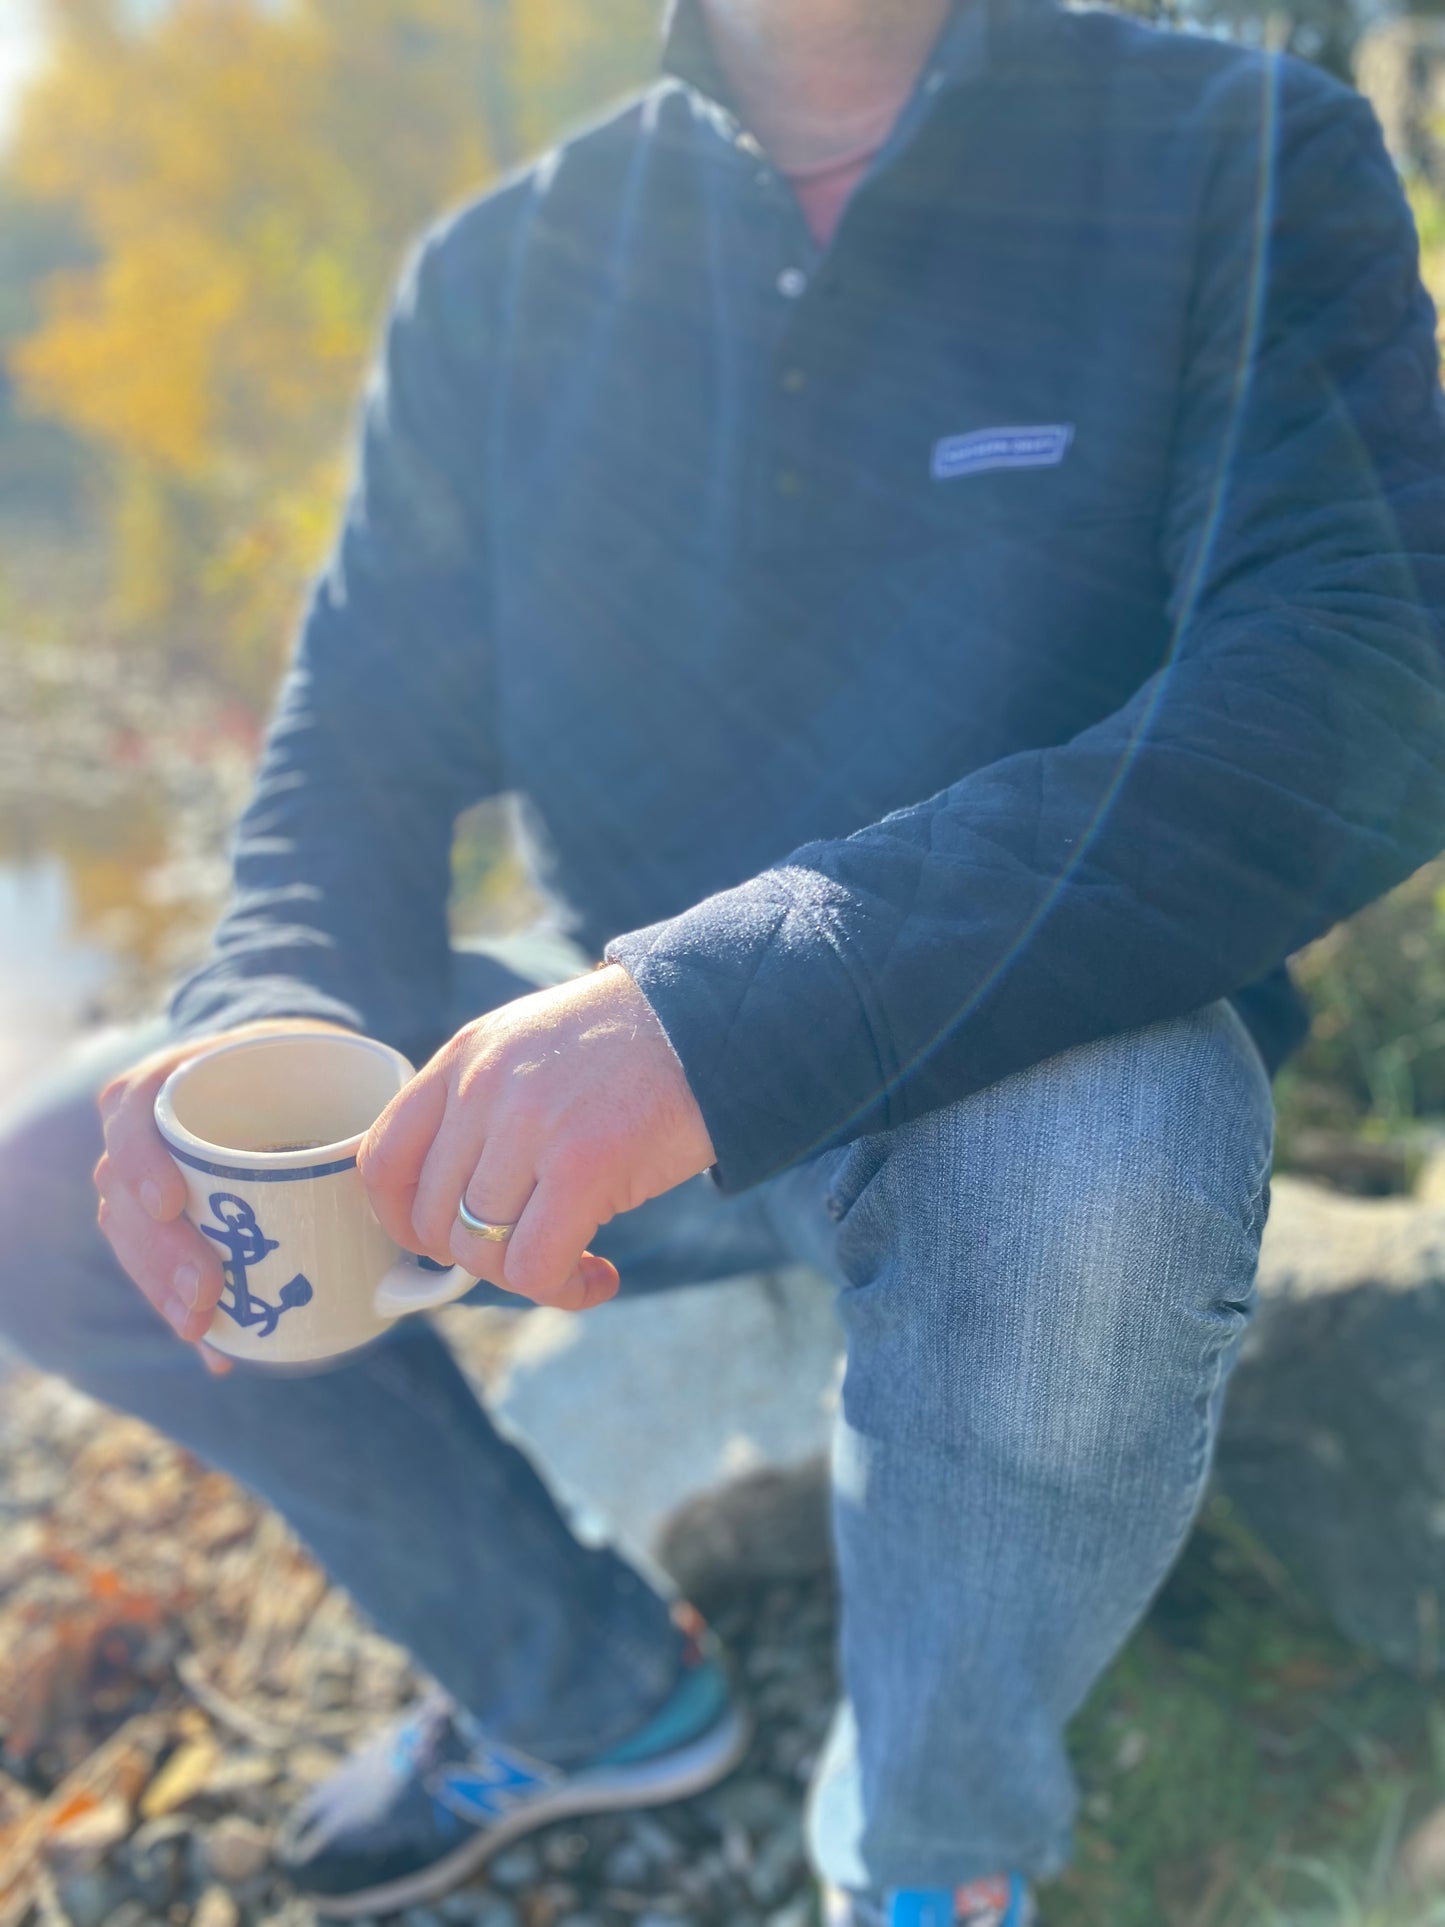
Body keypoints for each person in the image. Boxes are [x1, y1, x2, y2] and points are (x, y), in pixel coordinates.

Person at [4, 0, 1445, 1918]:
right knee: (51, 1183)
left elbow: (1366, 680)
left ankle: (932, 1853)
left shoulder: (1234, 150)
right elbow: (345, 758)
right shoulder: (504, 274)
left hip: (1013, 1067)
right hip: (598, 1079)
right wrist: (260, 1027)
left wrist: (720, 1016)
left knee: (1098, 1166)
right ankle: (584, 1692)